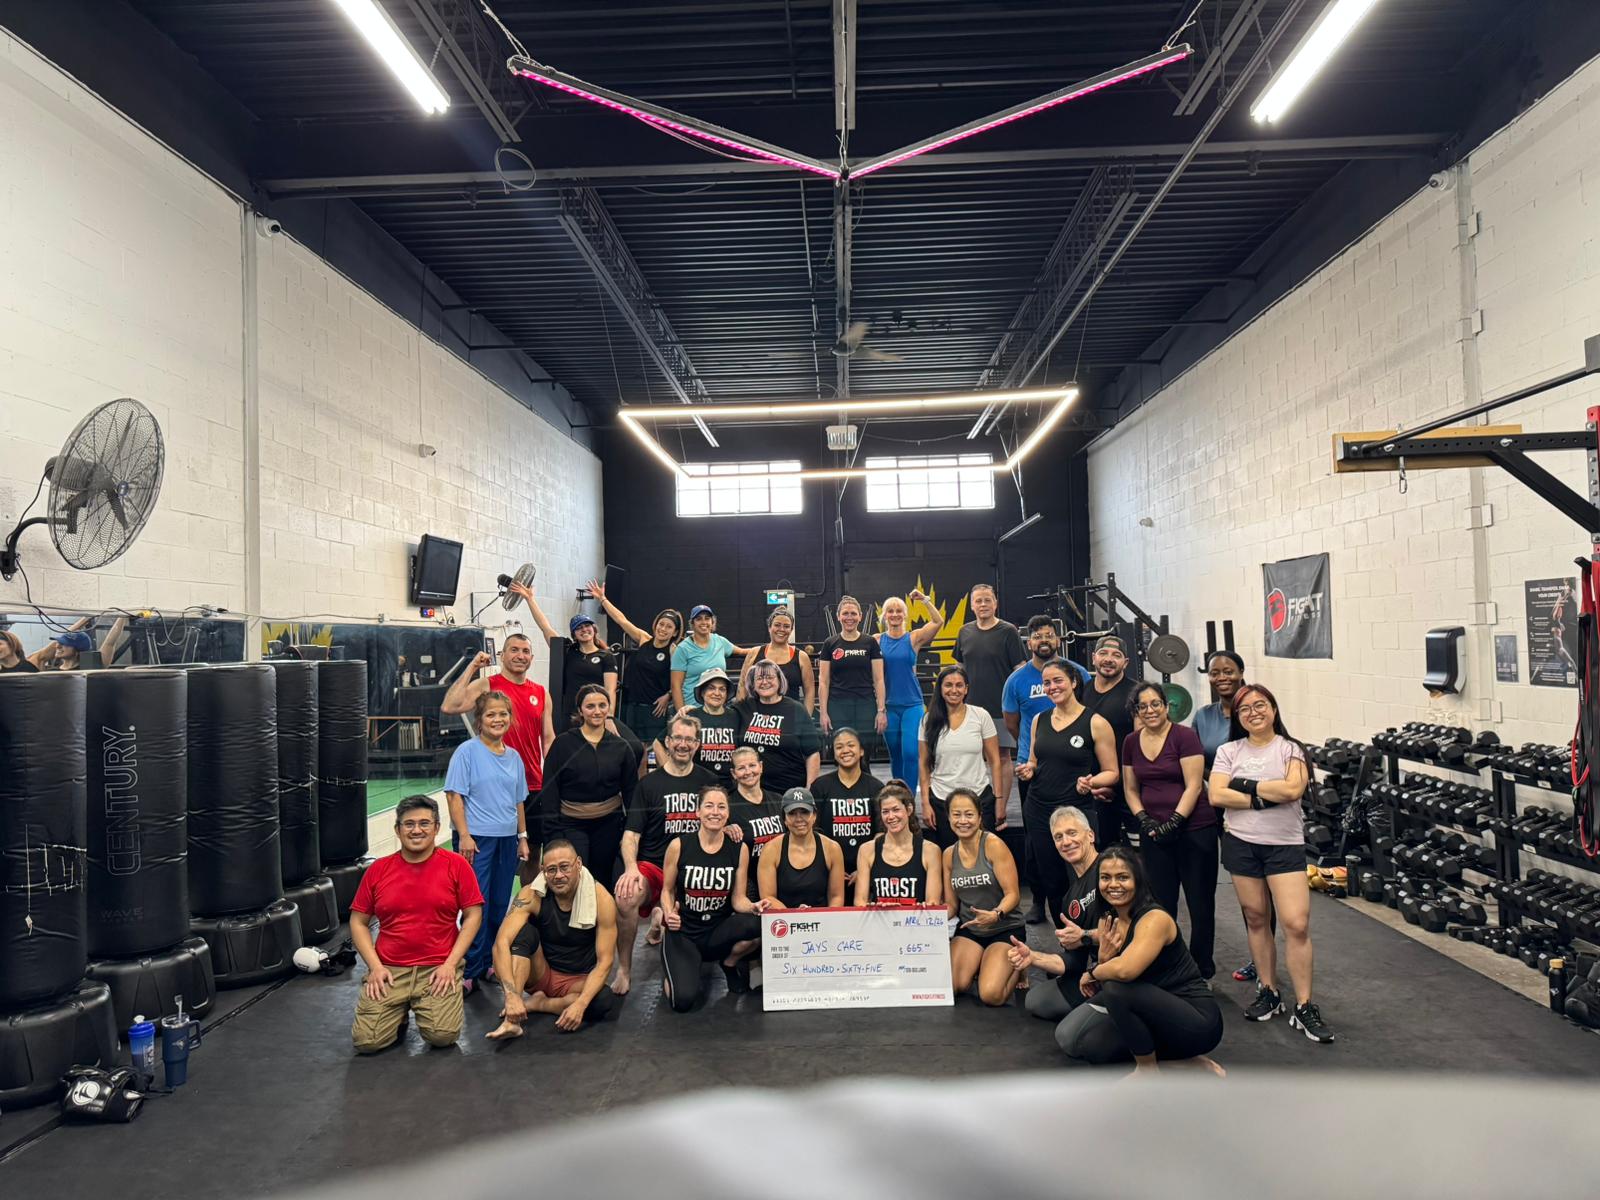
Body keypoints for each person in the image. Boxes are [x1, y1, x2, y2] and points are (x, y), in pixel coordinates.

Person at [1209, 684, 1334, 1043]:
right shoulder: (1228, 750)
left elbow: (1293, 790)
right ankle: (1269, 991)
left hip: (1284, 846)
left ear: (1274, 709)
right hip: (1241, 844)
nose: (1253, 712)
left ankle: (1305, 1005)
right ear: (1238, 716)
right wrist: (1266, 794)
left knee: (1296, 924)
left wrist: (1244, 785)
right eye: (1245, 709)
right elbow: (1217, 794)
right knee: (1257, 918)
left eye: (1260, 705)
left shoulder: (1290, 749)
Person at [1048, 847, 1225, 1074]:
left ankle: (1147, 1069)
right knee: (1093, 1046)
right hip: (1152, 1012)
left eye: (1122, 877)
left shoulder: (1154, 919)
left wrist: (1091, 973)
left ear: (1138, 881)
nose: (1113, 885)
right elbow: (1109, 970)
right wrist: (1101, 961)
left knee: (1114, 988)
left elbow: (1124, 971)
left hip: (1197, 1020)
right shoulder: (1107, 920)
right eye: (1105, 878)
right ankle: (1188, 1062)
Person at [349, 796, 484, 1053]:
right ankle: (396, 1012)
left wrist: (451, 964)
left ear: (436, 827)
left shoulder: (456, 865)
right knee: (367, 1042)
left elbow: (473, 915)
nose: (416, 830)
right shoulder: (378, 870)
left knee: (442, 1035)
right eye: (408, 824)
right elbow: (358, 921)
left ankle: (421, 1002)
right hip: (390, 969)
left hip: (437, 967)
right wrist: (375, 967)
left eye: (424, 823)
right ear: (397, 830)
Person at [440, 634, 556, 878]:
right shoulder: (488, 686)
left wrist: (554, 780)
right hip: (492, 786)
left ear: (532, 658)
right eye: (514, 650)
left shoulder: (541, 693)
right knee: (485, 855)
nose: (520, 655)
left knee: (532, 852)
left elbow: (548, 739)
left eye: (525, 651)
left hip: (532, 784)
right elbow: (450, 706)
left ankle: (526, 909)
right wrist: (472, 667)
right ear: (502, 655)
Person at [616, 714, 716, 993]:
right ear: (668, 742)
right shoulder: (648, 785)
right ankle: (624, 969)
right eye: (678, 739)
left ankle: (663, 920)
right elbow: (631, 835)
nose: (683, 745)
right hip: (655, 867)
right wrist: (631, 868)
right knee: (626, 896)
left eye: (689, 740)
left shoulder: (708, 782)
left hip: (692, 871)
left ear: (697, 745)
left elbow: (722, 818)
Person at [1122, 682, 1215, 978]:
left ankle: (1202, 970)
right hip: (1154, 835)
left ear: (1166, 706)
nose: (1150, 710)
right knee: (1160, 905)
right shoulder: (1131, 742)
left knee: (1200, 904)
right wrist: (1145, 820)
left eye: (1155, 704)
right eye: (1143, 706)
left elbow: (1194, 785)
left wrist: (1175, 821)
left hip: (1194, 830)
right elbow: (1130, 787)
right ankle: (1168, 966)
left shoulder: (1185, 737)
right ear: (1136, 710)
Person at [1015, 659, 1118, 919]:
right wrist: (1028, 769)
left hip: (1076, 809)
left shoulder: (1095, 722)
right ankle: (1066, 942)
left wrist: (1092, 782)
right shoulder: (1040, 719)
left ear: (1073, 682)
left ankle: (1091, 939)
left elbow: (1112, 773)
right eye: (1046, 682)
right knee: (1052, 881)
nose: (1052, 687)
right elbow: (1035, 761)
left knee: (1085, 879)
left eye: (1058, 680)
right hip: (1039, 810)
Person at [485, 838, 618, 1038]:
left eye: (565, 867)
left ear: (579, 864)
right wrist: (511, 995)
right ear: (542, 870)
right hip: (540, 973)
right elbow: (500, 944)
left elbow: (605, 961)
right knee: (522, 933)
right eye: (551, 870)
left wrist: (580, 1004)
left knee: (602, 1000)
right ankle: (512, 1020)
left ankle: (541, 1004)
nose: (559, 876)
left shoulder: (602, 899)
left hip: (577, 980)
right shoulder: (531, 894)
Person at [1003, 615, 1086, 922]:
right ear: (1029, 643)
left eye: (1049, 635)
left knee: (1076, 833)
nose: (1044, 640)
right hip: (1033, 769)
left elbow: (1086, 711)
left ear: (1058, 639)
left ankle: (1081, 901)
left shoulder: (1075, 673)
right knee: (1036, 841)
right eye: (1038, 636)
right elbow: (1012, 723)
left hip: (1072, 767)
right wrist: (1032, 752)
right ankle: (1038, 899)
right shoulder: (1016, 681)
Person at [444, 691, 529, 989]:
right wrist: (464, 836)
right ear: (480, 720)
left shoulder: (514, 757)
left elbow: (519, 801)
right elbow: (454, 796)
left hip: (507, 840)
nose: (498, 719)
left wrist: (522, 837)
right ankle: (469, 968)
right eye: (491, 714)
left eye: (503, 714)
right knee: (474, 905)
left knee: (499, 904)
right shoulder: (466, 752)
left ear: (510, 718)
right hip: (476, 841)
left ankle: (490, 961)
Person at [1190, 650, 1265, 983]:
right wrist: (1216, 779)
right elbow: (1193, 760)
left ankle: (1260, 958)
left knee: (1260, 888)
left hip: (1253, 809)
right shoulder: (1203, 716)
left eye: (1228, 671)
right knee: (1241, 886)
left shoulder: (1255, 710)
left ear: (1241, 672)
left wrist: (1237, 787)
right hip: (1215, 806)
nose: (1222, 677)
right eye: (1215, 672)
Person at [659, 783, 768, 1008]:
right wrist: (669, 913)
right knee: (682, 1001)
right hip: (685, 933)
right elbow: (667, 890)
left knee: (760, 924)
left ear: (728, 813)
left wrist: (754, 907)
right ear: (698, 811)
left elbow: (738, 900)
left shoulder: (739, 848)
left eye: (721, 807)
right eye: (709, 806)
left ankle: (729, 963)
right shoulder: (679, 846)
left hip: (717, 931)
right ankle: (677, 969)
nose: (715, 812)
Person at [1010, 806, 1106, 1036]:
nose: (1066, 842)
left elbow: (1129, 931)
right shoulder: (1070, 899)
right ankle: (1097, 1008)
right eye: (1059, 837)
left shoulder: (1111, 870)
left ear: (1090, 835)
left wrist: (1084, 936)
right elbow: (1073, 961)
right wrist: (1033, 957)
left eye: (1072, 833)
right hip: (1094, 973)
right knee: (1036, 1000)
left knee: (1072, 1038)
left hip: (1126, 971)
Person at [539, 685, 639, 893]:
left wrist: (631, 831)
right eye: (590, 706)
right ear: (580, 710)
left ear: (609, 708)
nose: (597, 711)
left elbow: (631, 793)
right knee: (578, 878)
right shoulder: (563, 745)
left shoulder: (621, 747)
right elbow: (549, 792)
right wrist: (553, 833)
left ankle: (602, 923)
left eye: (602, 705)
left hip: (609, 824)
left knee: (603, 879)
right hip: (570, 824)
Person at [944, 788, 1024, 1005]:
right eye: (957, 814)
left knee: (990, 995)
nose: (963, 821)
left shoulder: (993, 845)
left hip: (1004, 928)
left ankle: (1021, 964)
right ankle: (983, 962)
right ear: (949, 817)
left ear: (980, 817)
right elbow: (951, 905)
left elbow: (1013, 895)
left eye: (969, 814)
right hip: (971, 930)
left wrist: (996, 914)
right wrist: (927, 917)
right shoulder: (948, 855)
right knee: (952, 986)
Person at [952, 584, 1026, 815]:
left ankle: (1000, 807)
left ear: (995, 603)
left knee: (1002, 757)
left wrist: (1015, 703)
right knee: (970, 755)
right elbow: (958, 669)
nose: (983, 605)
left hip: (1000, 708)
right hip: (970, 708)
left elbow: (1020, 668)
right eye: (978, 601)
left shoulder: (1008, 631)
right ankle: (971, 809)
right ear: (972, 605)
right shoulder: (964, 632)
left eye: (987, 600)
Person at [507, 580, 618, 724]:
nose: (584, 630)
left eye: (587, 626)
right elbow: (545, 627)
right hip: (570, 715)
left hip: (595, 715)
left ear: (594, 629)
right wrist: (530, 599)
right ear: (574, 634)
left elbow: (610, 689)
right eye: (579, 628)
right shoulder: (568, 651)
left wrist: (609, 718)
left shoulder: (606, 656)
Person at [588, 578, 681, 750]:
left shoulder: (674, 650)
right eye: (661, 624)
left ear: (675, 632)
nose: (663, 629)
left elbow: (681, 679)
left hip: (654, 710)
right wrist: (602, 599)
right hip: (632, 705)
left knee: (656, 751)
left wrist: (668, 696)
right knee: (633, 749)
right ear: (655, 625)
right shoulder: (644, 639)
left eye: (669, 627)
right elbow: (621, 620)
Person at [918, 665, 1003, 849]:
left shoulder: (981, 716)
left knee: (985, 857)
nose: (954, 690)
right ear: (940, 688)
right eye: (948, 685)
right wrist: (925, 802)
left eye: (959, 685)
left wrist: (999, 800)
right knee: (949, 859)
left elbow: (995, 761)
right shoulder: (928, 720)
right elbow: (923, 764)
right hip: (942, 801)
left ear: (966, 689)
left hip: (979, 797)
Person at [876, 588, 943, 788]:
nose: (895, 614)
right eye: (890, 611)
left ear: (905, 614)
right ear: (885, 615)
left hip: (912, 704)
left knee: (911, 753)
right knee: (896, 753)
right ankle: (899, 792)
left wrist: (925, 600)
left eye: (899, 611)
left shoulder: (913, 638)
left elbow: (938, 622)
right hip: (888, 706)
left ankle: (910, 799)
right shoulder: (877, 640)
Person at [1077, 634, 1139, 844]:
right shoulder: (1081, 692)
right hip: (1092, 789)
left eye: (1116, 655)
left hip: (1128, 789)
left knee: (1139, 855)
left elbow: (1143, 747)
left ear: (1126, 662)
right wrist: (1093, 785)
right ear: (1093, 658)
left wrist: (1118, 784)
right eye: (1103, 653)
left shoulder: (1136, 693)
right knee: (1101, 851)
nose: (1109, 659)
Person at [809, 726, 886, 891]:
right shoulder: (820, 787)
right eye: (839, 747)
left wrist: (865, 868)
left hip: (867, 869)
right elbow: (815, 831)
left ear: (862, 751)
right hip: (828, 869)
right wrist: (831, 868)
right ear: (834, 753)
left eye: (851, 745)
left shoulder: (876, 787)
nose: (845, 750)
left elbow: (881, 832)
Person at [730, 659, 821, 792]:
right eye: (759, 678)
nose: (765, 682)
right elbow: (719, 714)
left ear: (779, 681)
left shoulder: (796, 709)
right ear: (753, 684)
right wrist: (690, 710)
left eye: (770, 677)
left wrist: (810, 789)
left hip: (790, 789)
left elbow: (812, 753)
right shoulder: (743, 708)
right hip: (752, 790)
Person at [818, 595, 886, 765]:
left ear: (860, 616)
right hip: (838, 705)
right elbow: (823, 681)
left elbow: (879, 679)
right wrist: (824, 713)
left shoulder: (870, 643)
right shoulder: (830, 643)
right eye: (846, 613)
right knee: (842, 754)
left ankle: (865, 788)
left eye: (853, 614)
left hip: (865, 705)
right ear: (838, 616)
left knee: (864, 755)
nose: (850, 617)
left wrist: (881, 710)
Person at [855, 782, 944, 905]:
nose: (891, 817)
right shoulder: (867, 850)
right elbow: (860, 902)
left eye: (896, 810)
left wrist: (901, 912)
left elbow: (933, 902)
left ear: (909, 810)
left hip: (915, 922)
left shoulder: (931, 850)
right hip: (879, 921)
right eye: (885, 812)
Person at [758, 787, 845, 908]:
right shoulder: (771, 850)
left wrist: (824, 919)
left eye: (804, 812)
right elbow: (768, 897)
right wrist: (795, 917)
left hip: (823, 920)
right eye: (792, 813)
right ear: (784, 819)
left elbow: (837, 896)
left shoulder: (832, 848)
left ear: (814, 816)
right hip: (784, 921)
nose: (799, 819)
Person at [656, 667, 738, 779]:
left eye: (722, 689)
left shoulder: (736, 716)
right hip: (697, 784)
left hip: (731, 785)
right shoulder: (691, 715)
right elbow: (658, 743)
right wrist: (670, 775)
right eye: (711, 688)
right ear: (702, 692)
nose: (717, 693)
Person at [726, 746, 785, 893]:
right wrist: (723, 829)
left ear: (761, 766)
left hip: (783, 879)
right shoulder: (727, 806)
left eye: (752, 765)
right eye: (741, 768)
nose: (748, 772)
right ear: (733, 773)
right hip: (749, 885)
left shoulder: (778, 800)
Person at [670, 604, 748, 712]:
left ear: (712, 622)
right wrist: (682, 714)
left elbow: (744, 652)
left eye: (707, 618)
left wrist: (770, 648)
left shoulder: (720, 641)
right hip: (693, 708)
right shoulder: (683, 649)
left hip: (717, 708)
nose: (704, 622)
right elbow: (676, 686)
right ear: (692, 624)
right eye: (699, 619)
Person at [737, 607, 814, 714]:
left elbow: (809, 691)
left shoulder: (802, 657)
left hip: (790, 716)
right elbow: (742, 687)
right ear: (769, 627)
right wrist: (741, 715)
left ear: (791, 630)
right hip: (758, 717)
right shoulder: (754, 653)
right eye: (777, 625)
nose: (781, 629)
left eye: (786, 626)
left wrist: (806, 719)